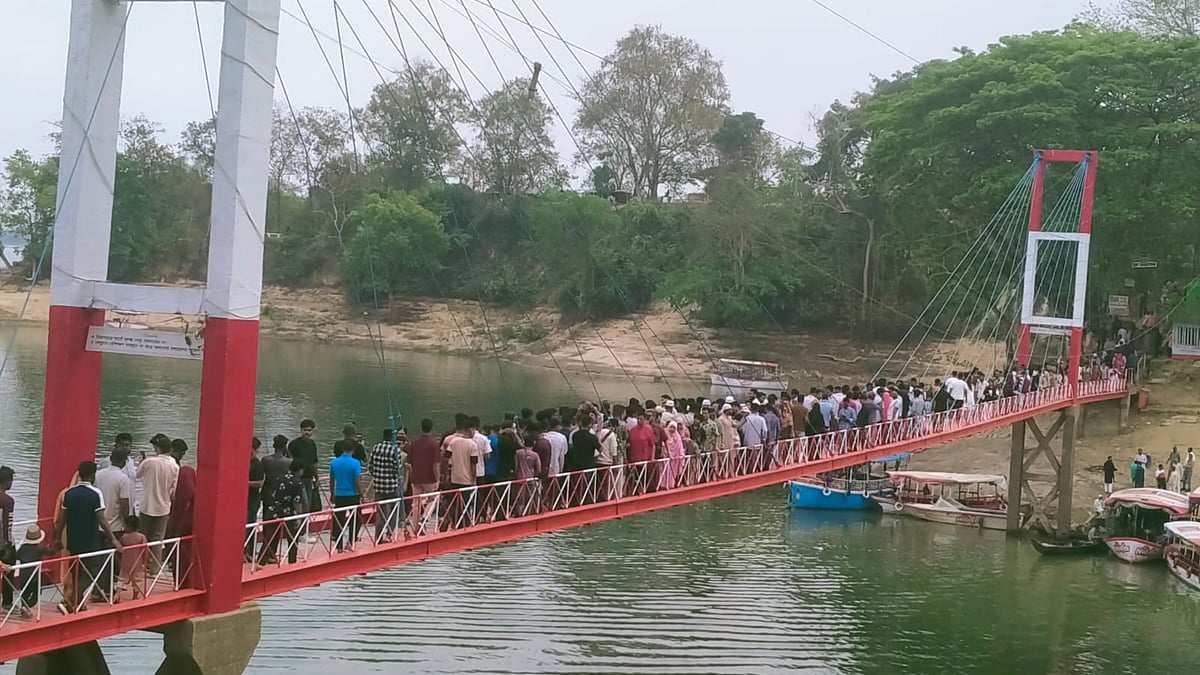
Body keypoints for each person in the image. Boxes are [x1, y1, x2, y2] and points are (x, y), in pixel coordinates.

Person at [59, 461, 120, 613]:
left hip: (73, 539)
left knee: (76, 571)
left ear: (79, 474)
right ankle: (75, 598)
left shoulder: (69, 493)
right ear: (92, 475)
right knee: (93, 570)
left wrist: (56, 537)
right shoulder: (96, 493)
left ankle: (77, 603)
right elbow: (101, 518)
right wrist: (113, 538)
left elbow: (62, 519)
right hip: (90, 539)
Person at [136, 434, 178, 573]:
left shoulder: (149, 462)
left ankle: (139, 567)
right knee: (158, 540)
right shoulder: (174, 466)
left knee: (142, 537)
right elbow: (174, 490)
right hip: (164, 507)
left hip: (147, 506)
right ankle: (155, 570)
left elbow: (138, 474)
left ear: (157, 448)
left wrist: (142, 462)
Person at [264, 461, 307, 565]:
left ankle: (262, 560)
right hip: (288, 513)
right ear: (300, 470)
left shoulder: (280, 478)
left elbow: (273, 493)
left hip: (273, 510)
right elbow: (297, 502)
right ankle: (292, 561)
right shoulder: (298, 482)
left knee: (269, 537)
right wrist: (299, 518)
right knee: (292, 538)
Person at [368, 429, 405, 542]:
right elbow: (397, 470)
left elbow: (370, 466)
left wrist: (377, 476)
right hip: (391, 486)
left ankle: (378, 537)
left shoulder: (376, 448)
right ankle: (389, 533)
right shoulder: (396, 450)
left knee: (380, 512)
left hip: (378, 486)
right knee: (393, 510)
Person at [328, 440, 364, 552]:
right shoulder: (356, 463)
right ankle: (350, 542)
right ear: (353, 450)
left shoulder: (334, 463)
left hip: (339, 494)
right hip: (353, 495)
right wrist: (362, 494)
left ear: (342, 449)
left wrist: (332, 494)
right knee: (356, 520)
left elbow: (332, 480)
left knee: (339, 520)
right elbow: (357, 481)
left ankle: (339, 546)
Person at [95, 452, 134, 539]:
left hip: (98, 524)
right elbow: (124, 503)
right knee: (113, 551)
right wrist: (127, 522)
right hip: (115, 527)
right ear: (124, 463)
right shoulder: (123, 479)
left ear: (111, 460)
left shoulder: (98, 475)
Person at [11, 524, 46, 617]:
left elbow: (16, 556)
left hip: (23, 576)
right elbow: (49, 552)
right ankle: (28, 606)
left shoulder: (23, 548)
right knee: (36, 594)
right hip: (34, 576)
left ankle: (24, 607)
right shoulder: (40, 548)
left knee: (24, 593)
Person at [287, 420, 321, 515]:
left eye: (309, 430)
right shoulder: (294, 444)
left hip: (309, 478)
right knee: (303, 504)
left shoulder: (312, 444)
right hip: (298, 479)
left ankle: (305, 526)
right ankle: (300, 526)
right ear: (301, 430)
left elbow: (314, 463)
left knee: (308, 505)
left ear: (312, 431)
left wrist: (317, 478)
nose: (307, 432)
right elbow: (289, 462)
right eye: (305, 430)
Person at [117, 515, 148, 600]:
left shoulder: (124, 537)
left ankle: (117, 595)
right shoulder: (141, 537)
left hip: (125, 563)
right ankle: (135, 596)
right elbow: (145, 550)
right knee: (137, 580)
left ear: (129, 526)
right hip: (137, 563)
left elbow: (119, 547)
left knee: (122, 579)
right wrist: (145, 562)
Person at [407, 419, 442, 496]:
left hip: (416, 478)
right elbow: (435, 464)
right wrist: (438, 479)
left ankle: (415, 509)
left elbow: (410, 462)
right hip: (430, 479)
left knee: (416, 502)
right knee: (431, 501)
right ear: (431, 428)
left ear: (421, 427)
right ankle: (427, 509)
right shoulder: (434, 444)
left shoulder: (414, 443)